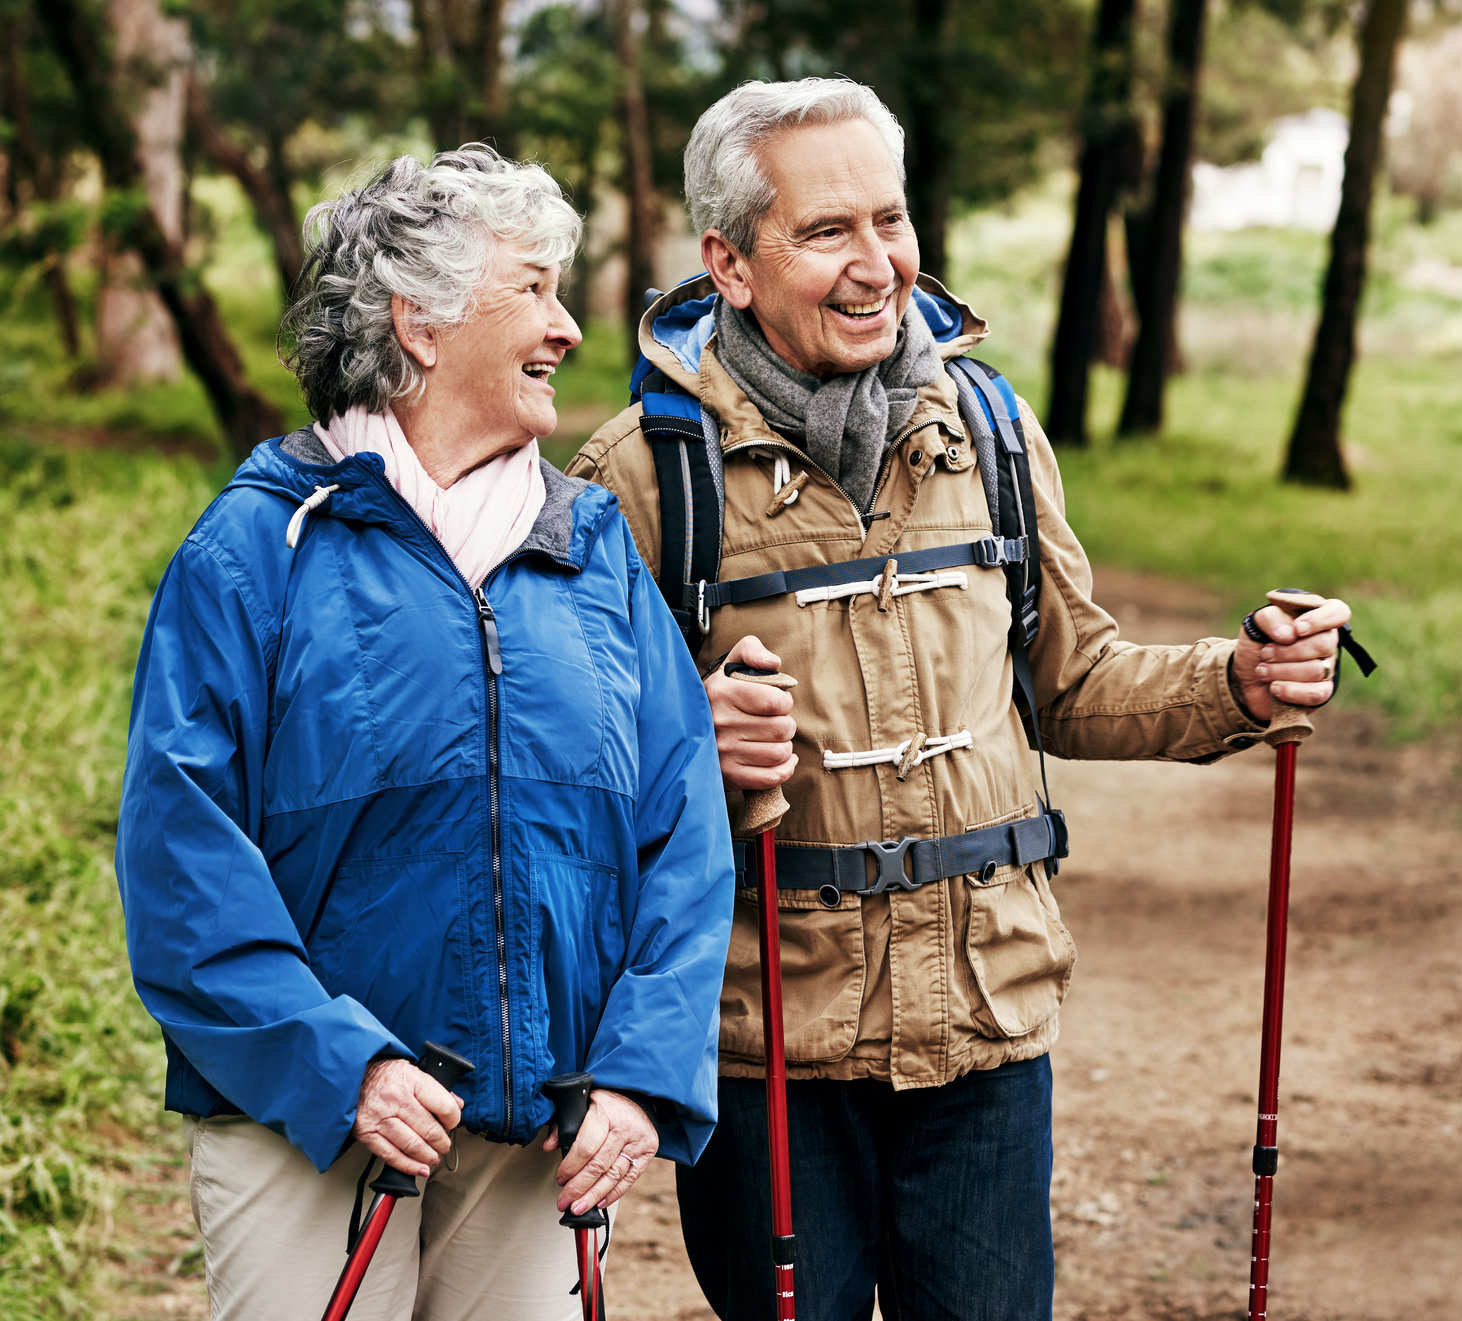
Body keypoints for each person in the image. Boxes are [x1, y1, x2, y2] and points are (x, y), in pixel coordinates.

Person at [567, 78, 1353, 1321]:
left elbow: (1073, 679)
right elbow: (580, 781)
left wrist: (1237, 681)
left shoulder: (985, 426)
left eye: (891, 219)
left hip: (982, 1016)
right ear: (727, 259)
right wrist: (692, 747)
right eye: (827, 232)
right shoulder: (636, 478)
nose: (876, 263)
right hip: (765, 1040)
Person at [115, 145, 733, 1321]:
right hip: (301, 1118)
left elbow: (684, 833)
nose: (566, 327)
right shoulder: (257, 549)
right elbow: (180, 858)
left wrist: (640, 1075)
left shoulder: (592, 547)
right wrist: (339, 1065)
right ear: (422, 321)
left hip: (533, 1125)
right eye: (536, 290)